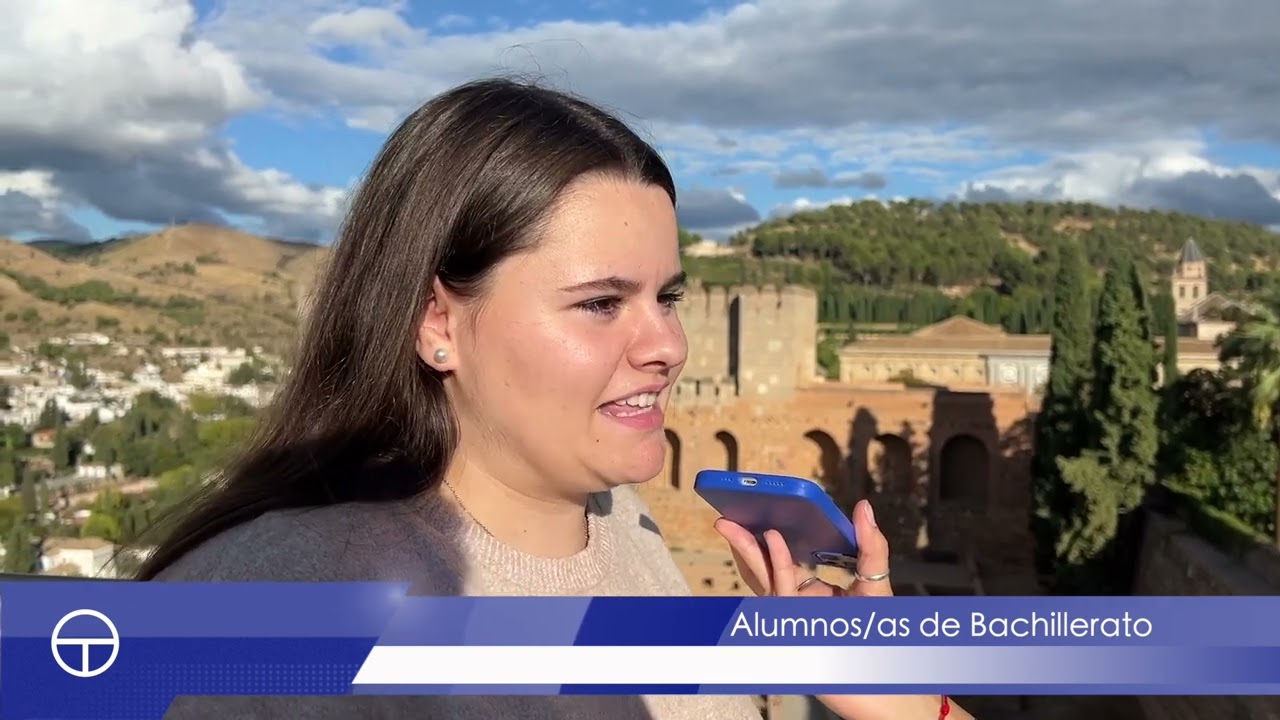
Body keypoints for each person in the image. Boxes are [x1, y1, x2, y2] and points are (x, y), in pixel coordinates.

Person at [137, 77, 972, 720]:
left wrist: (892, 698)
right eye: (601, 303)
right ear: (438, 322)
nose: (669, 347)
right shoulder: (267, 610)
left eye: (668, 298)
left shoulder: (627, 530)